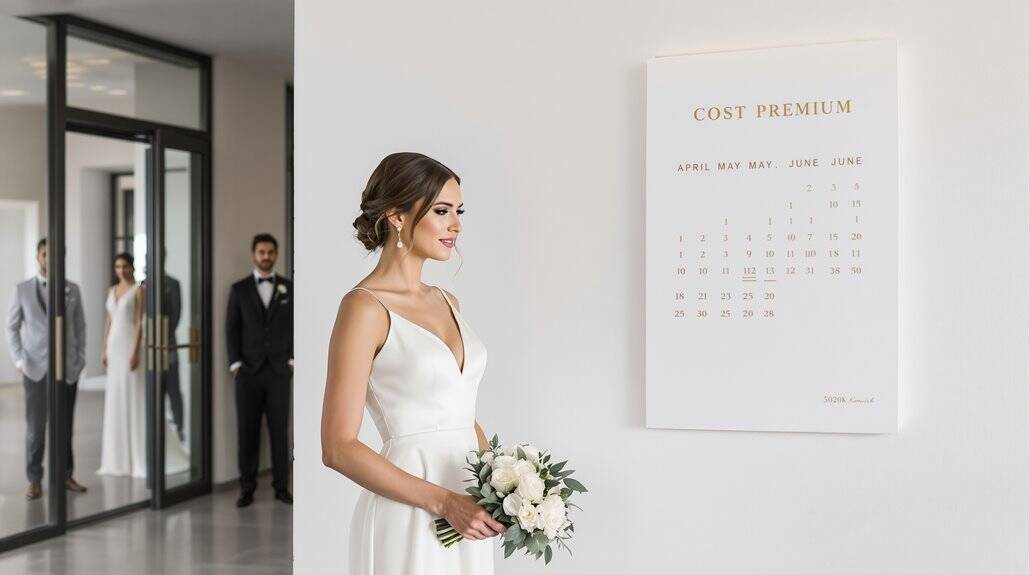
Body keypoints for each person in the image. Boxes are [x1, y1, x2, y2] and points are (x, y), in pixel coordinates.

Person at [321, 152, 503, 574]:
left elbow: (460, 410)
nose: (456, 224)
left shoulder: (447, 301)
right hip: (412, 507)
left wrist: (502, 479)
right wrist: (443, 501)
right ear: (397, 216)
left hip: (469, 505)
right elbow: (337, 447)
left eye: (459, 212)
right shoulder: (363, 309)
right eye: (442, 211)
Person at [5, 237, 88, 500]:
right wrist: (20, 360)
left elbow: (80, 327)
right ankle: (34, 479)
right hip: (35, 370)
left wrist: (80, 358)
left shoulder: (73, 289)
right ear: (37, 257)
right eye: (44, 254)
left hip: (67, 369)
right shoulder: (22, 290)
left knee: (65, 426)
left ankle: (65, 475)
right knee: (36, 428)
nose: (49, 259)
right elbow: (11, 328)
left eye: (55, 255)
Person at [97, 253, 190, 478]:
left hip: (131, 345)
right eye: (118, 266)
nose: (121, 270)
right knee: (116, 397)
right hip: (114, 346)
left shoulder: (139, 289)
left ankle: (140, 455)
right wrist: (103, 349)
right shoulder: (111, 291)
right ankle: (118, 459)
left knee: (136, 396)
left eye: (125, 266)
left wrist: (136, 350)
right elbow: (109, 320)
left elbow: (140, 321)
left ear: (132, 267)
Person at [226, 233, 294, 507]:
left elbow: (295, 327)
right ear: (254, 254)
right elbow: (231, 329)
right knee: (247, 432)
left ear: (276, 254)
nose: (266, 256)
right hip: (247, 375)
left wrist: (292, 359)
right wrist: (235, 364)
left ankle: (281, 487)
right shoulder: (239, 289)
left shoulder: (289, 288)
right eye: (261, 252)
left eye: (270, 252)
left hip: (279, 371)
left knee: (280, 431)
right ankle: (247, 488)